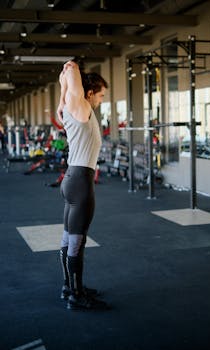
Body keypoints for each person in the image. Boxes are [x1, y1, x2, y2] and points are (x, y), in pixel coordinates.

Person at [57, 60, 109, 310]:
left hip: (72, 180)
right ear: (88, 93)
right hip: (80, 182)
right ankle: (76, 295)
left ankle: (70, 287)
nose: (101, 100)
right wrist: (72, 66)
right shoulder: (80, 106)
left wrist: (63, 87)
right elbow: (71, 72)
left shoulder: (68, 105)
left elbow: (64, 84)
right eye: (100, 95)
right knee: (77, 242)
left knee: (68, 240)